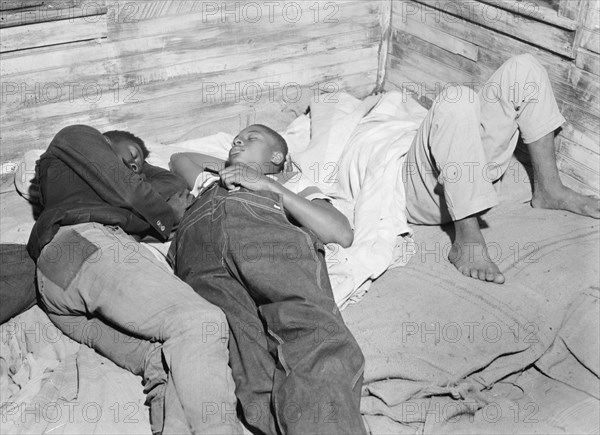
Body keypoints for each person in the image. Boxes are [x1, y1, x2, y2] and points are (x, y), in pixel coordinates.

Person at [27, 125, 243, 434]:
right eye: (130, 155)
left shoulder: (113, 195)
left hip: (60, 287)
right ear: (106, 142)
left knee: (166, 363)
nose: (134, 166)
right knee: (199, 321)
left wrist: (138, 162)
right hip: (80, 245)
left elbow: (169, 186)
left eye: (139, 165)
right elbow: (131, 188)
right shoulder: (76, 136)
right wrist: (162, 213)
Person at [169, 125, 367, 434]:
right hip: (201, 255)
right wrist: (235, 169)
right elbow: (180, 158)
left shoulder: (293, 184)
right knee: (245, 366)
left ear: (278, 157)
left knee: (309, 334)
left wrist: (266, 183)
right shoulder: (211, 181)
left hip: (265, 240)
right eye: (237, 139)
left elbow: (339, 232)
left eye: (252, 138)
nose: (237, 141)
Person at [401, 53, 600, 284]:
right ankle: (467, 236)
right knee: (457, 99)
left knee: (525, 67)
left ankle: (550, 189)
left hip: (466, 163)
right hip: (418, 188)